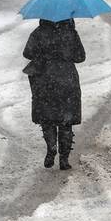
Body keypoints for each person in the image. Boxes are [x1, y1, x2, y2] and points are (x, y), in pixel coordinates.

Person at [23, 18, 86, 170]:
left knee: (48, 118)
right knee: (66, 121)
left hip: (45, 80)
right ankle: (64, 159)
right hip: (67, 80)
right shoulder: (70, 33)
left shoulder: (38, 33)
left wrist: (44, 54)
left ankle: (51, 147)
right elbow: (80, 57)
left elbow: (27, 53)